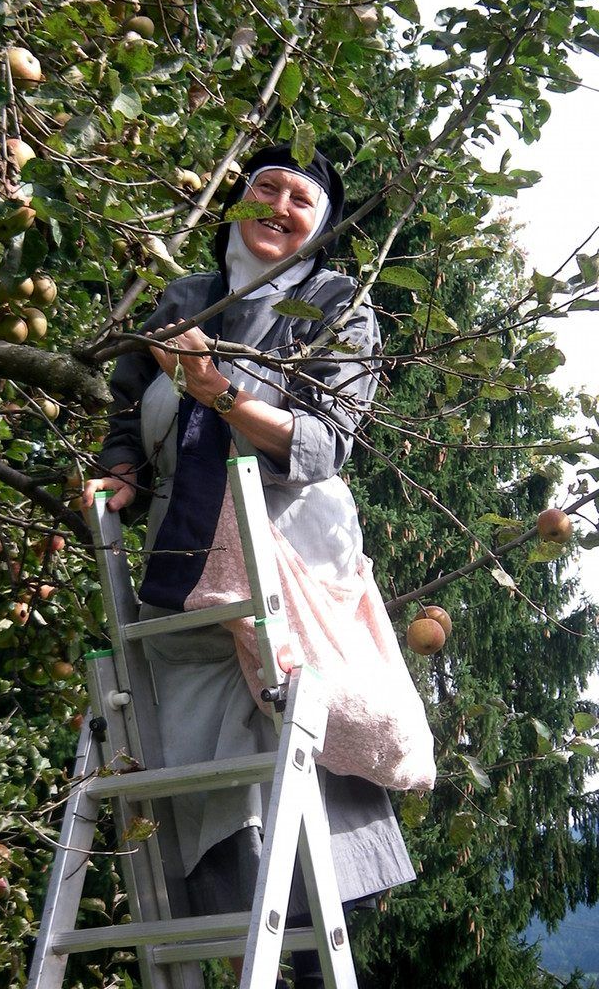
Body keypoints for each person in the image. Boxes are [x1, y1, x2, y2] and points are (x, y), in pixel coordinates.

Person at [83, 144, 420, 988]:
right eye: (264, 186)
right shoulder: (183, 299)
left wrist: (217, 390)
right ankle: (243, 954)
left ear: (322, 229)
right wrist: (122, 469)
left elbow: (322, 446)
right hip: (182, 570)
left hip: (286, 568)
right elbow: (128, 405)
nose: (278, 206)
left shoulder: (336, 307)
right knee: (209, 781)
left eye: (301, 200)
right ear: (235, 202)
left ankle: (303, 962)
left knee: (300, 771)